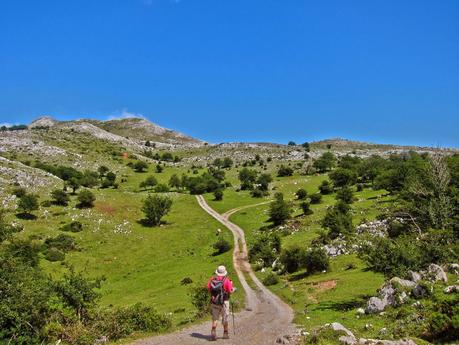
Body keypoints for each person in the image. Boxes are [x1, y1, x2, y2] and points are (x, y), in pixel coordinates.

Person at [207, 265, 235, 341]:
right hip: (224, 302)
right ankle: (225, 334)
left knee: (215, 318)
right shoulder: (227, 280)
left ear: (217, 272)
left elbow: (208, 288)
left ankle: (213, 332)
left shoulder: (212, 280)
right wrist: (232, 286)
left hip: (214, 302)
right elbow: (230, 291)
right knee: (224, 318)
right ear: (224, 272)